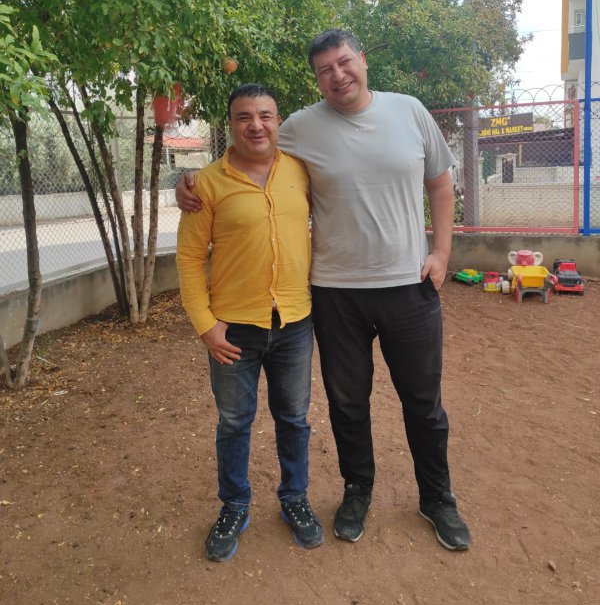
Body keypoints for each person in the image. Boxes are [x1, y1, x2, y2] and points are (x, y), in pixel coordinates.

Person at [177, 31, 470, 551]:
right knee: (347, 403)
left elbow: (440, 183)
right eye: (324, 70)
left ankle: (437, 498)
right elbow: (249, 147)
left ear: (362, 60)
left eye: (344, 62)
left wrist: (442, 254)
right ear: (316, 80)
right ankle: (357, 491)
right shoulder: (301, 126)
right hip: (336, 295)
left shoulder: (409, 111)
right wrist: (191, 181)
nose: (337, 75)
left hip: (408, 285)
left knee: (424, 403)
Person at [176, 83, 323, 562]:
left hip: (295, 322)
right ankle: (235, 506)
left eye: (265, 115)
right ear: (230, 125)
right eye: (244, 117)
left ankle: (294, 498)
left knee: (294, 418)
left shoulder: (300, 171)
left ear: (278, 121)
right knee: (235, 422)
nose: (255, 125)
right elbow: (189, 258)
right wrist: (205, 325)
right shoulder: (206, 185)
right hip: (233, 330)